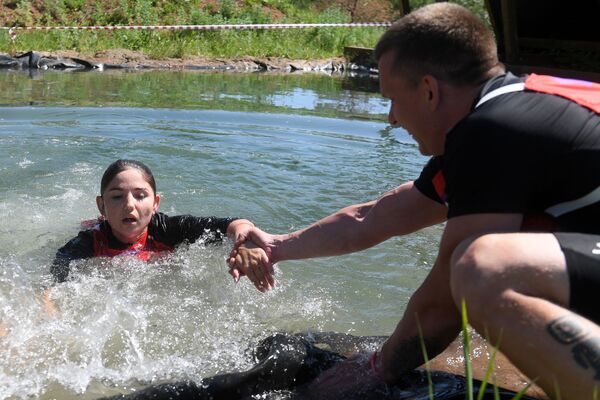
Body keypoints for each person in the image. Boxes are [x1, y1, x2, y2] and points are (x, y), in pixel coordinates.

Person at [229, 3, 600, 399]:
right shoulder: (514, 112)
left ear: (428, 90)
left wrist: (374, 369)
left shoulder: (493, 130)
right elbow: (373, 218)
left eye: (391, 98)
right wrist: (277, 247)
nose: (390, 117)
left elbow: (442, 305)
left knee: (483, 266)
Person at [52, 159, 272, 292]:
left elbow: (234, 224)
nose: (129, 205)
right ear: (102, 205)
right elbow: (53, 280)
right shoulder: (88, 241)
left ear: (156, 203)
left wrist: (243, 243)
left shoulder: (170, 229)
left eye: (140, 196)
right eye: (117, 197)